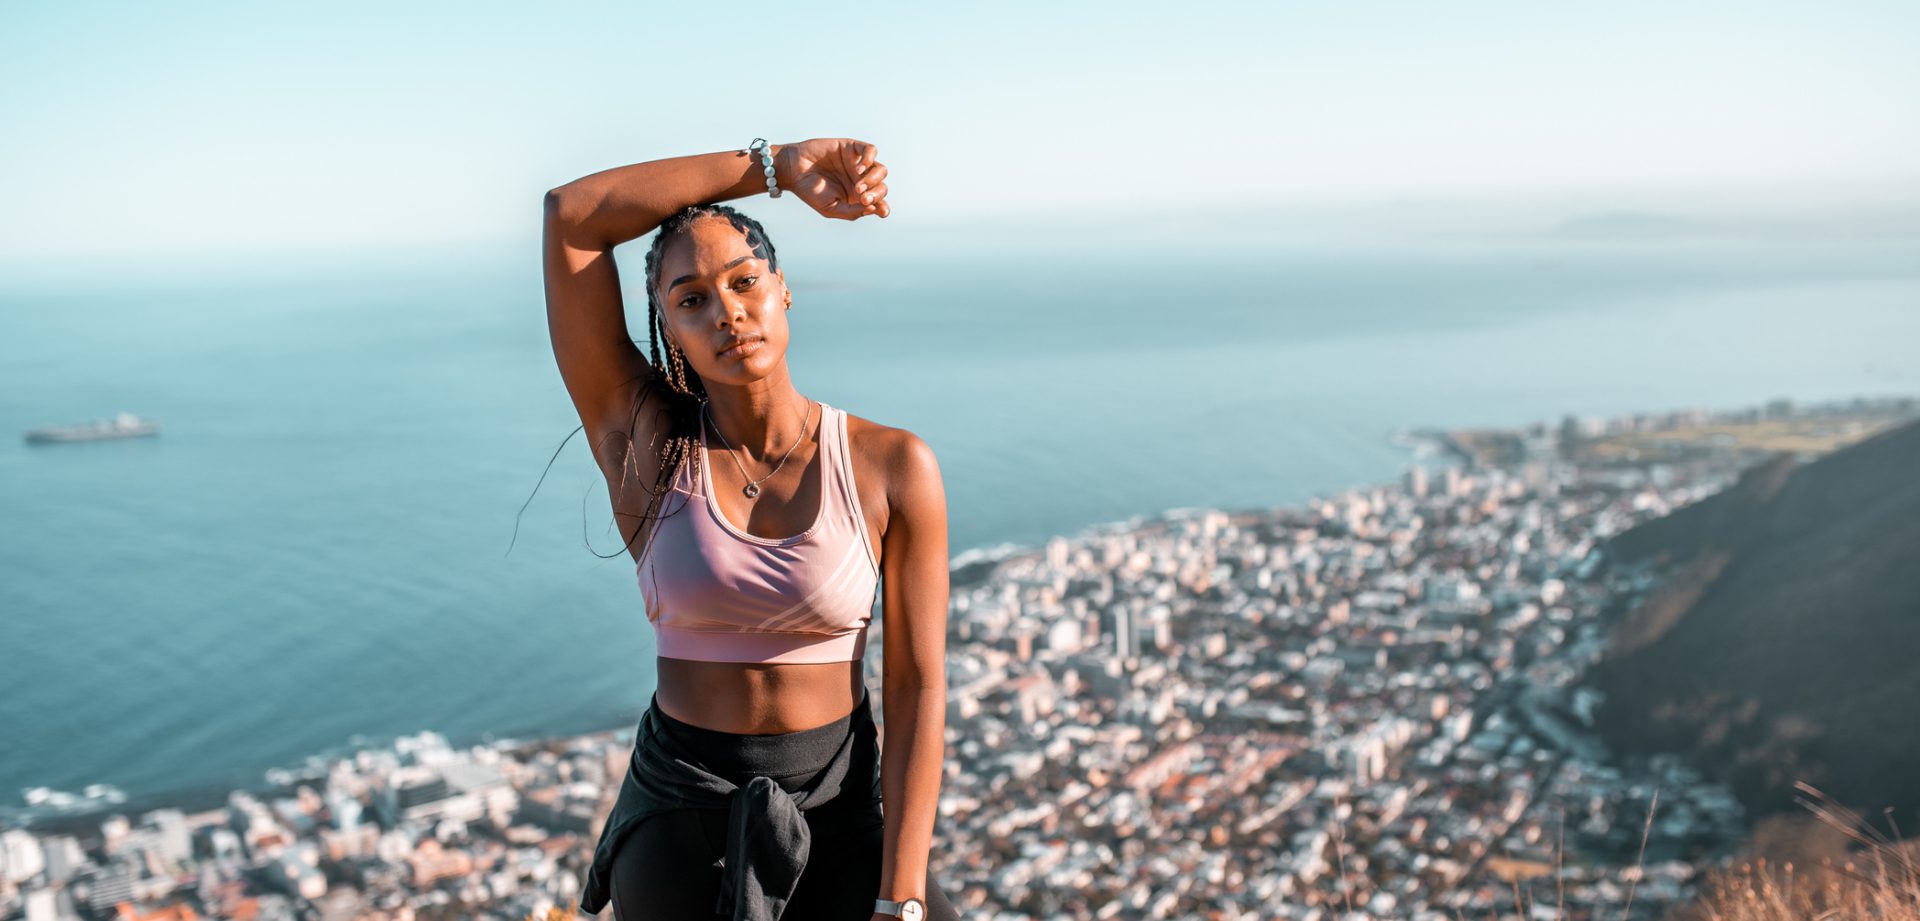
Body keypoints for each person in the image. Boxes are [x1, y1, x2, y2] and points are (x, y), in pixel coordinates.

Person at [542, 138, 960, 921]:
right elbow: (571, 217)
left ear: (783, 289)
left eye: (744, 281)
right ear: (668, 328)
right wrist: (780, 167)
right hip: (679, 818)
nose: (727, 312)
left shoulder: (893, 466)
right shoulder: (649, 450)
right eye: (691, 299)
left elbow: (915, 685)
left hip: (842, 808)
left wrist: (902, 893)